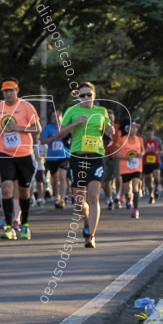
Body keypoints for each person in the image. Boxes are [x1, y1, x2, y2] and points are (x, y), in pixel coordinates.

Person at [51, 82, 113, 248]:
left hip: (96, 156)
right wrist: (75, 123)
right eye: (82, 95)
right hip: (77, 157)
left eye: (89, 95)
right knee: (79, 201)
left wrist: (110, 129)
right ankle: (86, 219)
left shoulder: (101, 111)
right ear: (78, 97)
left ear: (94, 96)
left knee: (93, 196)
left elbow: (107, 129)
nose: (86, 98)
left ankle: (91, 235)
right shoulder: (72, 111)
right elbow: (61, 133)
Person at [0, 78, 41, 240]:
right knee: (6, 188)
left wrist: (19, 128)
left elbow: (37, 128)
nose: (8, 94)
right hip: (5, 153)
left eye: (11, 90)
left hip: (24, 154)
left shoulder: (26, 107)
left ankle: (25, 224)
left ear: (17, 91)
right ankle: (9, 226)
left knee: (24, 192)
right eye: (5, 91)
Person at [40, 108, 71, 209]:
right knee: (55, 178)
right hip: (52, 157)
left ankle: (62, 199)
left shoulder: (66, 127)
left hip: (64, 156)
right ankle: (56, 197)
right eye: (53, 117)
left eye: (57, 116)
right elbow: (42, 141)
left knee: (62, 177)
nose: (55, 119)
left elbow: (73, 139)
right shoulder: (48, 128)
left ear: (61, 117)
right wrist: (54, 137)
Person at [118, 122, 144, 218]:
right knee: (126, 188)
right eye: (131, 128)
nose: (133, 130)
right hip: (125, 167)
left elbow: (143, 150)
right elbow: (116, 154)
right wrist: (125, 158)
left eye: (135, 128)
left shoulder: (140, 140)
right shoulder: (121, 140)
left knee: (135, 187)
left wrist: (142, 153)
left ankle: (135, 210)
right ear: (127, 130)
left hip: (137, 167)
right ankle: (128, 198)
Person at [141, 125, 163, 204]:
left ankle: (156, 187)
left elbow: (162, 150)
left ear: (153, 132)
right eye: (148, 131)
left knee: (156, 176)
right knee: (148, 180)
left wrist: (159, 153)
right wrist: (144, 151)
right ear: (146, 132)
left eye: (151, 131)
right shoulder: (143, 140)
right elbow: (140, 150)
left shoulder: (157, 140)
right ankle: (151, 195)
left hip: (156, 160)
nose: (150, 133)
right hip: (146, 162)